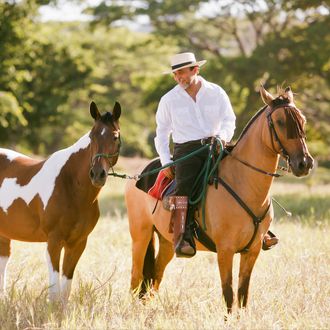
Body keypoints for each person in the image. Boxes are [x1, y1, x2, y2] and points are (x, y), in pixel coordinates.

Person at [154, 52, 278, 258]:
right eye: (175, 74)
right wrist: (166, 160)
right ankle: (183, 235)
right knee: (184, 186)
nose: (178, 78)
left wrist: (222, 136)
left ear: (195, 70)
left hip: (217, 144)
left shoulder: (216, 92)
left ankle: (261, 229)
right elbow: (161, 133)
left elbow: (230, 119)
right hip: (187, 150)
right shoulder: (169, 100)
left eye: (182, 73)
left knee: (247, 176)